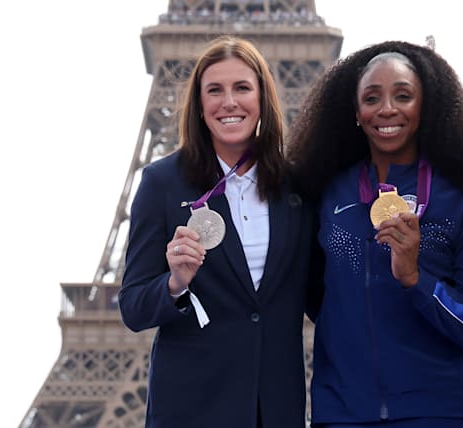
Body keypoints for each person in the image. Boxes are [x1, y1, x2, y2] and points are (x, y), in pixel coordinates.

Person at [286, 40, 463, 428]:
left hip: (440, 413)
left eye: (403, 96)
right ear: (355, 111)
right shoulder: (327, 193)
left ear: (426, 106)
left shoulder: (460, 198)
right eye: (372, 97)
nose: (386, 109)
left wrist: (417, 280)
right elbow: (320, 299)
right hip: (342, 414)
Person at [118, 35, 317, 428]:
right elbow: (133, 306)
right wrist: (175, 284)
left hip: (274, 409)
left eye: (242, 87)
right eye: (215, 90)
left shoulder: (298, 186)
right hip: (192, 408)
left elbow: (324, 295)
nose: (229, 102)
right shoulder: (162, 183)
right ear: (199, 103)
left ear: (263, 97)